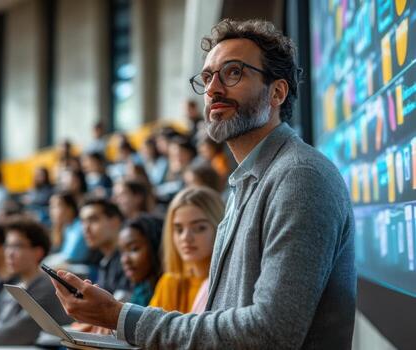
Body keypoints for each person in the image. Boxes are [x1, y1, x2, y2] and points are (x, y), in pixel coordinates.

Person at [51, 19, 356, 349]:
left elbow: (270, 333)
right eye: (208, 77)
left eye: (233, 72)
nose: (212, 90)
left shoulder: (300, 176)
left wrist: (121, 317)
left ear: (277, 92)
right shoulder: (247, 183)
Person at [0, 216, 70, 349]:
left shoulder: (48, 288)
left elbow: (12, 335)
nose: (9, 253)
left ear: (38, 252)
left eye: (17, 246)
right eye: (7, 246)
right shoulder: (15, 285)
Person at [148, 186, 224, 313]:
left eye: (199, 228)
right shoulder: (169, 283)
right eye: (179, 229)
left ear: (220, 227)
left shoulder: (228, 285)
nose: (186, 238)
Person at [79, 198, 130, 296]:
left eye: (93, 220)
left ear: (115, 222)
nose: (86, 228)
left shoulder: (127, 261)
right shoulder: (106, 261)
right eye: (83, 222)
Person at [118, 215, 163, 307]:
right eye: (122, 252)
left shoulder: (173, 287)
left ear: (156, 247)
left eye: (134, 249)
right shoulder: (141, 291)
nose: (125, 260)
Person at [48, 192, 90, 264]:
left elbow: (69, 257)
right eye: (51, 207)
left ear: (70, 208)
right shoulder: (66, 228)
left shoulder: (79, 226)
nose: (52, 211)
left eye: (56, 206)